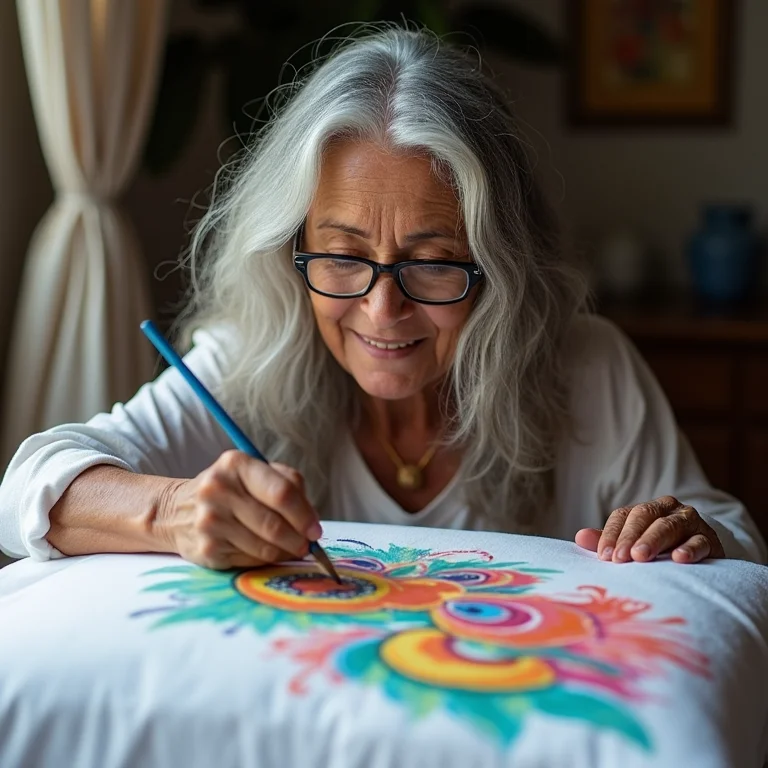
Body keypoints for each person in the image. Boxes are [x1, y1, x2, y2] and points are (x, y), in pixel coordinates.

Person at [0, 28, 764, 569]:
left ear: (500, 264)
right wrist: (176, 513)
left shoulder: (588, 366)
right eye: (342, 256)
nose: (381, 310)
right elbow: (28, 488)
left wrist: (692, 534)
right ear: (290, 249)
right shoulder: (252, 353)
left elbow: (736, 539)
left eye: (432, 265)